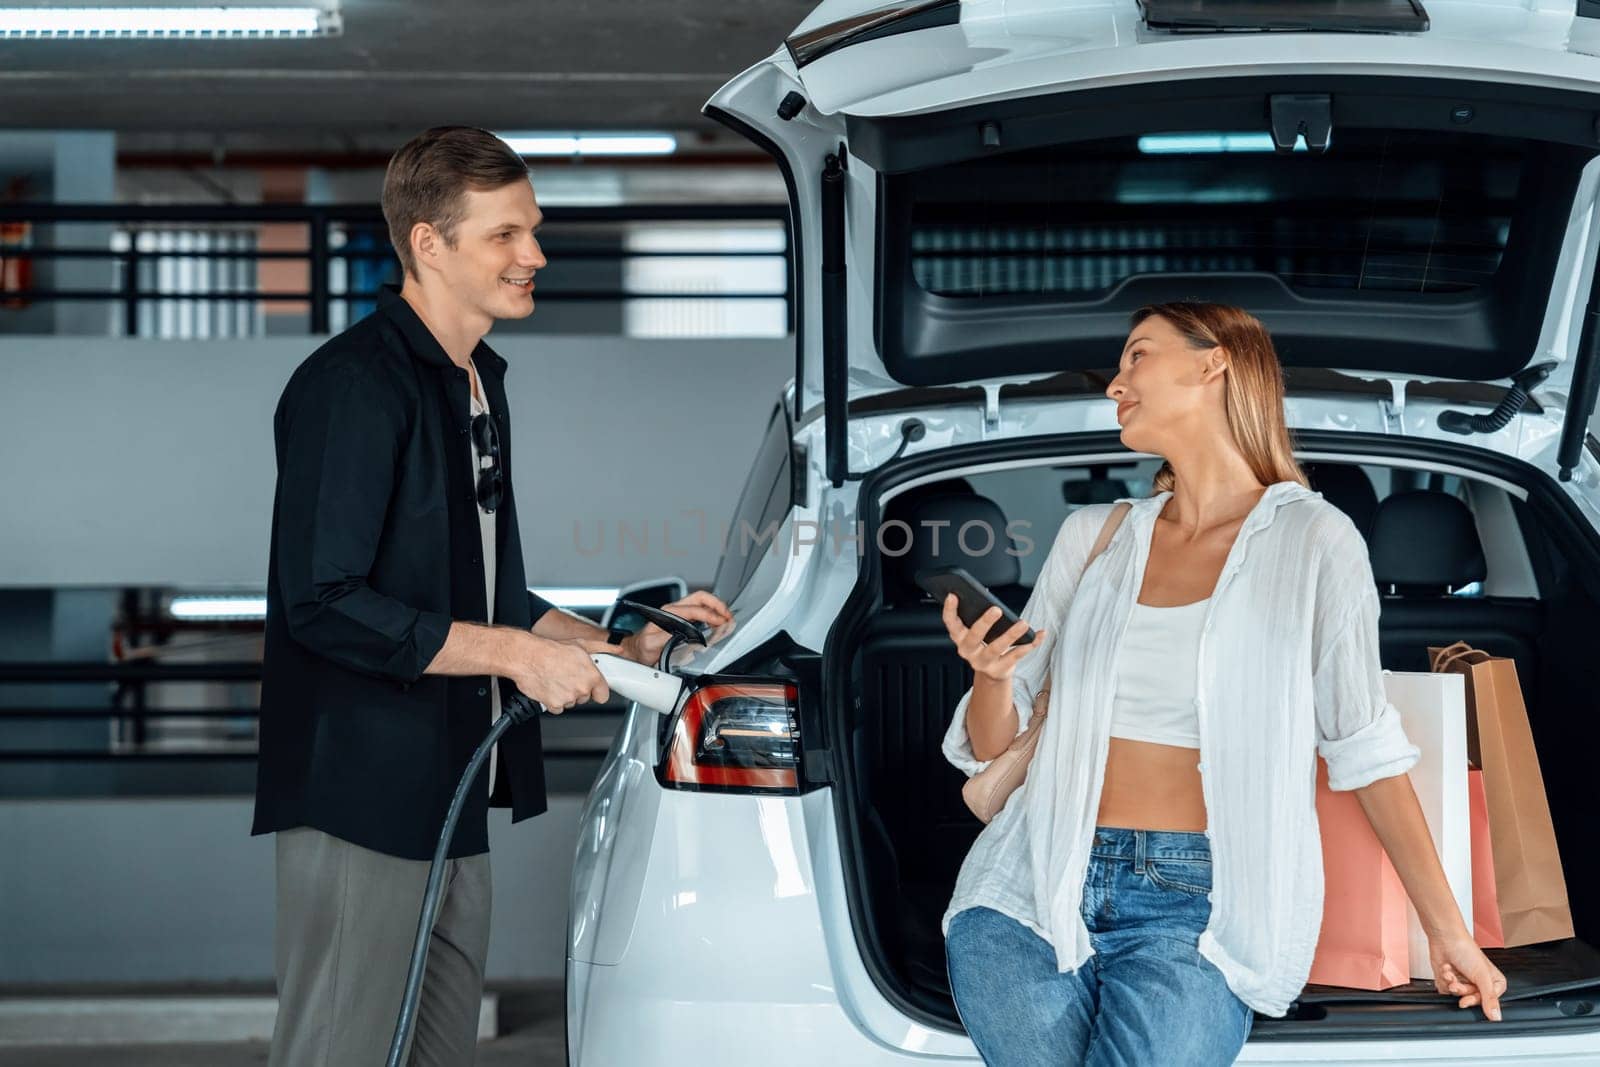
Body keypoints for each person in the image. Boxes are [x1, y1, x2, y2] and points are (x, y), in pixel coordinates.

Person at [252, 126, 731, 1066]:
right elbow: (323, 599)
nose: (535, 255)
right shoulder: (353, 388)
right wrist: (518, 655)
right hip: (359, 797)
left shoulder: (478, 384)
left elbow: (487, 591)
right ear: (429, 243)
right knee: (338, 1051)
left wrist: (614, 646)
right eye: (506, 235)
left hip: (450, 784)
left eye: (534, 230)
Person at [937, 302, 1506, 1066]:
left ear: (1216, 363)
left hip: (1198, 904)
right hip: (1030, 881)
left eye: (1136, 355)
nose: (1114, 384)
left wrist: (1450, 932)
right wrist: (991, 676)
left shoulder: (1314, 539)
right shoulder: (1094, 537)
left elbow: (1365, 749)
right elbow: (993, 750)